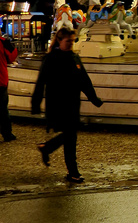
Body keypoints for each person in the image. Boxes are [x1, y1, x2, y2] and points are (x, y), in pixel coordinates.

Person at [31, 26, 104, 183]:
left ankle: (48, 149)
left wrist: (94, 98)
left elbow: (84, 81)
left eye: (72, 40)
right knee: (71, 137)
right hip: (58, 105)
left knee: (70, 136)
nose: (71, 43)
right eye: (68, 41)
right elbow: (41, 82)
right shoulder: (51, 59)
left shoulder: (74, 58)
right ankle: (73, 172)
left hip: (72, 104)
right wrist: (35, 104)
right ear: (59, 40)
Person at [1, 28, 18, 142]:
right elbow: (12, 56)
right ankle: (7, 134)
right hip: (1, 81)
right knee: (2, 109)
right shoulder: (2, 42)